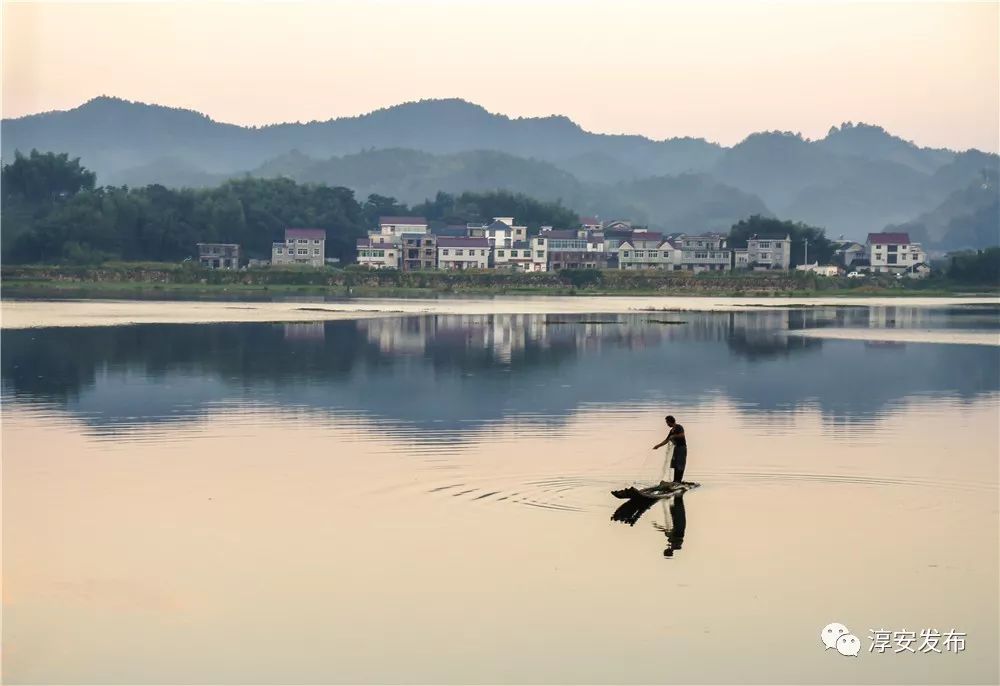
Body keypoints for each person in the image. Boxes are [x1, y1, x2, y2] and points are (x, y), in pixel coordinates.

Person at [652, 415, 687, 484]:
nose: (667, 424)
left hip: (682, 448)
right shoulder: (671, 431)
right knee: (675, 464)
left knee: (680, 464)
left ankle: (678, 481)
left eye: (667, 422)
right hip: (676, 448)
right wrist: (658, 446)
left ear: (670, 422)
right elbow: (666, 440)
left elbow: (682, 435)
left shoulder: (679, 427)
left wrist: (674, 436)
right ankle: (675, 481)